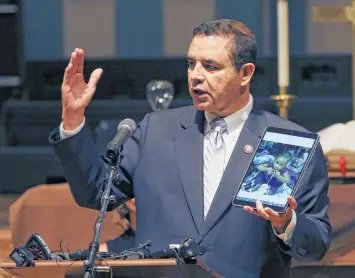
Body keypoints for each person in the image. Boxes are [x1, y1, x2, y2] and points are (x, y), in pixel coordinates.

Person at [49, 19, 332, 278]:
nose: (195, 75)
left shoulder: (286, 142)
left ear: (245, 74)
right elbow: (97, 193)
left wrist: (286, 223)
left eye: (210, 66)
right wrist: (72, 120)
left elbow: (316, 243)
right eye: (190, 64)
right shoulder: (155, 131)